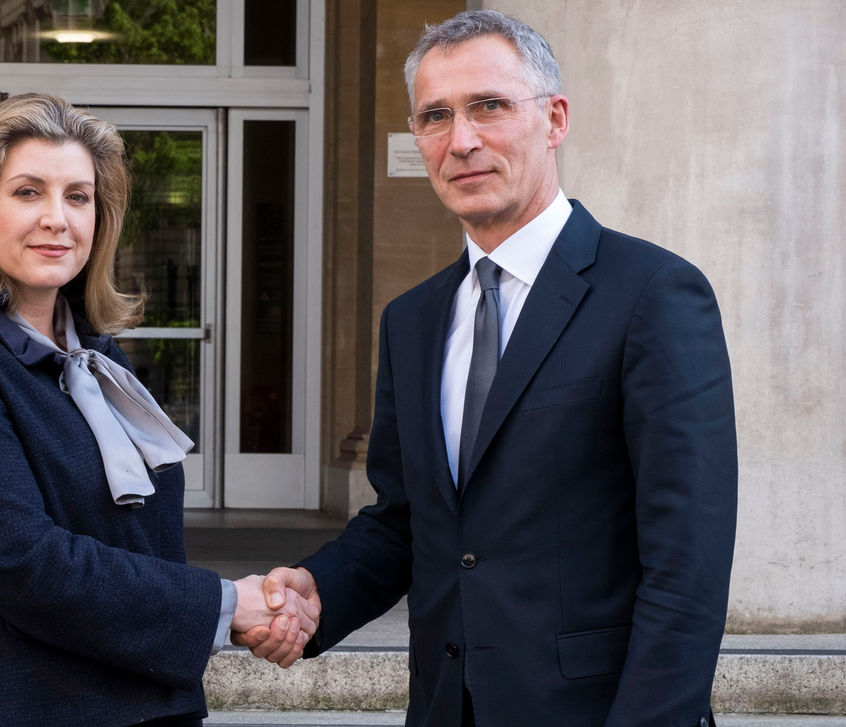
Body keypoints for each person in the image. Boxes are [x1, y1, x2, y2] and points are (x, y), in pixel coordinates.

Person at [246, 10, 737, 726]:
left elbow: (687, 565)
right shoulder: (411, 320)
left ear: (555, 118)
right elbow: (406, 521)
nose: (462, 140)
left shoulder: (652, 295)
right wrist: (320, 590)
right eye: (435, 116)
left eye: (490, 107)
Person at [0, 93, 315, 727]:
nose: (57, 218)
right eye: (28, 192)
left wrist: (239, 612)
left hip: (133, 703)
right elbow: (21, 561)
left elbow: (143, 548)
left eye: (78, 197)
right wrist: (222, 606)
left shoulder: (103, 363)